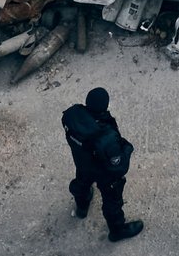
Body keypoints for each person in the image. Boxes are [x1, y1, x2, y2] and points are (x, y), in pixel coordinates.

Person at [61, 87, 143, 242]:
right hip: (103, 172)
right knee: (112, 199)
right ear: (105, 107)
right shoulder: (106, 136)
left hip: (82, 162)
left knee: (82, 182)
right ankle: (117, 230)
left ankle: (82, 207)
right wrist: (126, 148)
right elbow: (119, 167)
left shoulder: (71, 115)